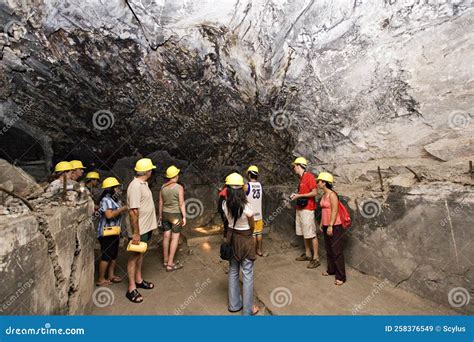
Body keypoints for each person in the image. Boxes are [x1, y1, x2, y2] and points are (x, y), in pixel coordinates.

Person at [223, 172, 259, 316]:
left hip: (231, 237)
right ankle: (248, 310)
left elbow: (228, 221)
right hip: (245, 237)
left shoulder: (225, 204)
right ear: (241, 189)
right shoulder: (246, 206)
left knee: (233, 270)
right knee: (248, 273)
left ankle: (234, 305)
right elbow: (252, 222)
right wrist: (251, 229)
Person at [126, 158, 158, 303]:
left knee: (141, 254)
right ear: (147, 171)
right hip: (139, 229)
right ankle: (131, 289)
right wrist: (136, 233)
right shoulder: (135, 186)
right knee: (134, 257)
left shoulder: (143, 184)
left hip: (146, 227)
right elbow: (133, 211)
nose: (152, 171)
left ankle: (138, 280)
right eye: (151, 169)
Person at [96, 177, 128, 286]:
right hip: (106, 233)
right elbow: (109, 215)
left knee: (113, 255)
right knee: (106, 256)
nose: (119, 189)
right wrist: (122, 209)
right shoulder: (105, 200)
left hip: (114, 231)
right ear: (112, 188)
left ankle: (111, 275)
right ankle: (100, 279)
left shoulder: (115, 199)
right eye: (117, 187)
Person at [289, 157, 320, 269]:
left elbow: (315, 192)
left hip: (308, 209)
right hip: (300, 208)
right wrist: (296, 195)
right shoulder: (301, 178)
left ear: (299, 166)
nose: (294, 168)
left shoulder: (309, 176)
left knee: (311, 233)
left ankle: (316, 258)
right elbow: (304, 192)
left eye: (295, 166)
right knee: (304, 232)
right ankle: (308, 254)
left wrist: (300, 196)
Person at [317, 172, 346, 285]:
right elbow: (324, 210)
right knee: (329, 249)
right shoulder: (324, 195)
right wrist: (321, 223)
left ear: (324, 183)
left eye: (319, 181)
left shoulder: (332, 195)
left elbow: (334, 210)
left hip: (334, 226)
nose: (318, 183)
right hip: (325, 225)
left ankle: (341, 277)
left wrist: (330, 225)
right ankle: (331, 270)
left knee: (336, 250)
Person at [158, 165, 186, 272]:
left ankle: (165, 260)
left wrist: (160, 216)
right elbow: (181, 203)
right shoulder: (179, 188)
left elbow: (160, 202)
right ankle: (170, 264)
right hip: (175, 215)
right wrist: (184, 216)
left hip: (165, 214)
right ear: (175, 176)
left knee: (166, 236)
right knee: (175, 238)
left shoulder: (163, 187)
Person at [244, 165, 267, 257]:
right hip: (259, 214)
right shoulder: (260, 185)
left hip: (251, 215)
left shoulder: (246, 186)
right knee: (259, 233)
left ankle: (252, 252)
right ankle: (259, 250)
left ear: (249, 175)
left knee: (253, 234)